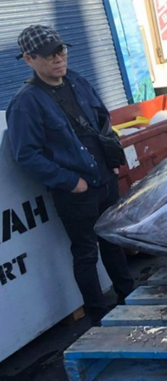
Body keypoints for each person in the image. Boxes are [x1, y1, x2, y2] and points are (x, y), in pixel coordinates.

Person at [6, 25, 134, 326]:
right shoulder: (25, 102)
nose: (58, 59)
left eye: (60, 51)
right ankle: (99, 316)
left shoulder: (78, 81)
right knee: (86, 253)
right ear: (28, 59)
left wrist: (114, 160)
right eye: (48, 55)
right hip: (76, 192)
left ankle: (129, 297)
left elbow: (103, 119)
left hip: (105, 179)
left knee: (113, 240)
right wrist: (69, 182)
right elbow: (26, 154)